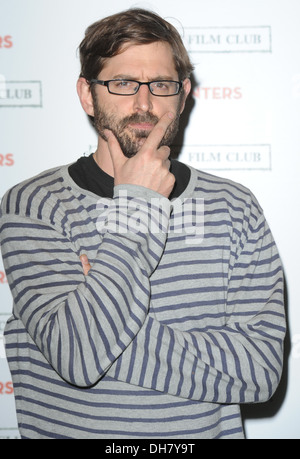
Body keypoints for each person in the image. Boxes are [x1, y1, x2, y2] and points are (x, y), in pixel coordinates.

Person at [0, 8, 286, 439]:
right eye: (122, 83)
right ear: (86, 93)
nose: (144, 103)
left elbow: (260, 375)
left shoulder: (234, 206)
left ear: (183, 94)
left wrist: (103, 316)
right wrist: (140, 207)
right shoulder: (34, 204)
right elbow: (79, 357)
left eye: (162, 85)